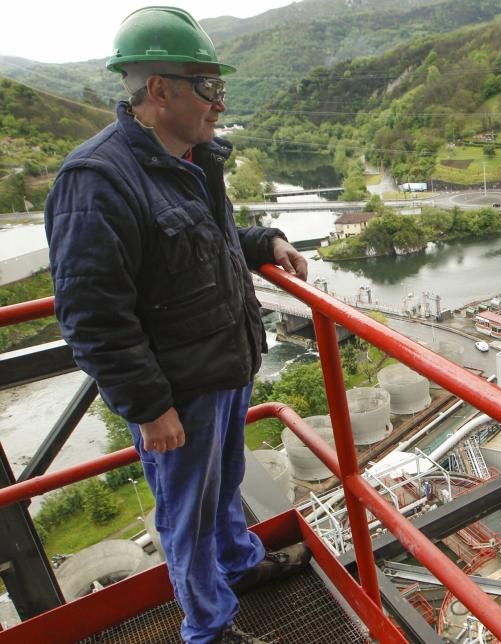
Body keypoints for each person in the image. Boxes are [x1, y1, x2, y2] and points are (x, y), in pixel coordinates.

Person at [45, 7, 311, 643]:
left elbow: (204, 246)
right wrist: (148, 404)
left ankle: (241, 566)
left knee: (224, 492)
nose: (219, 102)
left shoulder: (192, 159)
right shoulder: (96, 180)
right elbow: (91, 315)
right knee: (186, 517)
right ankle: (208, 628)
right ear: (158, 91)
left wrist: (262, 241)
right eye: (208, 87)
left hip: (223, 369)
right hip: (178, 393)